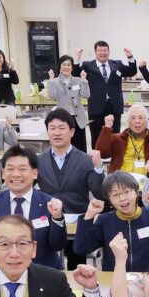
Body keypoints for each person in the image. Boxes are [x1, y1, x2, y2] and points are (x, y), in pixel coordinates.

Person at [0, 145, 66, 269]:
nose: (16, 174)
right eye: (10, 169)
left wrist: (57, 217)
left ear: (35, 173)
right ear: (3, 174)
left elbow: (57, 245)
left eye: (22, 169)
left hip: (43, 271)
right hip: (5, 271)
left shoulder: (49, 203)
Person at [74, 171, 149, 272]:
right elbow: (81, 248)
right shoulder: (105, 221)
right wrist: (89, 215)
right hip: (116, 279)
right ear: (109, 199)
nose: (122, 198)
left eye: (126, 192)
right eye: (115, 195)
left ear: (136, 192)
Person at [34, 108, 105, 269]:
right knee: (46, 266)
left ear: (72, 132)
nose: (57, 133)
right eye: (52, 128)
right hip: (48, 220)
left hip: (78, 219)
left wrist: (98, 168)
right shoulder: (38, 161)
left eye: (62, 128)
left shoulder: (85, 159)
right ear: (47, 131)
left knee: (77, 266)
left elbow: (99, 193)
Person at [77, 41, 138, 148]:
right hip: (96, 108)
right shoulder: (88, 66)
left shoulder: (117, 64)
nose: (103, 53)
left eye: (105, 50)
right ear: (95, 52)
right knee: (96, 138)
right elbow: (74, 73)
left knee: (115, 138)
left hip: (114, 106)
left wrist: (130, 57)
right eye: (100, 50)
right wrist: (77, 59)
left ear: (109, 51)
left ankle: (115, 157)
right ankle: (97, 157)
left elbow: (132, 71)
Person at [95, 105, 149, 175]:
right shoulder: (118, 138)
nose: (137, 121)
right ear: (128, 122)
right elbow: (102, 153)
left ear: (147, 122)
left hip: (146, 180)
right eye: (133, 118)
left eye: (140, 118)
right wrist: (107, 128)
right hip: (120, 180)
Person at [45, 55, 91, 152]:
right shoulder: (55, 81)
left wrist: (84, 80)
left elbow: (86, 95)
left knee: (80, 148)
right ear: (60, 67)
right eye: (64, 64)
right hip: (63, 119)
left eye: (69, 65)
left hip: (78, 119)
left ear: (72, 67)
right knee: (65, 146)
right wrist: (51, 80)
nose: (66, 67)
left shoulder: (78, 80)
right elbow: (52, 96)